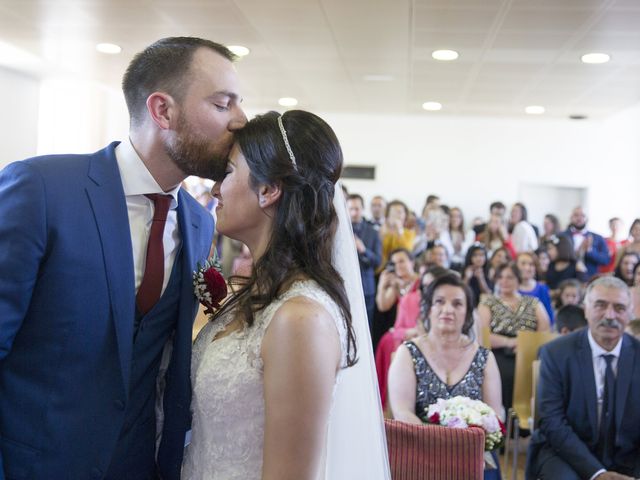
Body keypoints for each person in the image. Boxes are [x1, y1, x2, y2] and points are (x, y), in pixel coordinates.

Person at [0, 37, 245, 479]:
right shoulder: (42, 189)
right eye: (223, 104)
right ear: (162, 110)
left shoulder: (198, 223)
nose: (241, 121)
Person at [182, 110, 390, 479]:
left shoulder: (300, 318)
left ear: (268, 189)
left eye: (228, 173)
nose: (215, 189)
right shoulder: (255, 293)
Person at [388, 273, 503, 479]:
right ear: (429, 309)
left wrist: (471, 441)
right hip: (420, 450)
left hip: (473, 453)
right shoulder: (408, 352)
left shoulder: (484, 357)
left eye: (457, 304)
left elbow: (494, 413)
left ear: (467, 313)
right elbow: (402, 413)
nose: (447, 309)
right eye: (439, 302)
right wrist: (441, 445)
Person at [526, 276, 640, 479]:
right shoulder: (555, 353)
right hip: (566, 453)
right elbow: (552, 422)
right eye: (600, 305)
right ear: (585, 309)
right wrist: (597, 473)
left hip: (629, 454)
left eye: (619, 308)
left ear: (630, 314)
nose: (610, 315)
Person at [478, 263, 551, 412]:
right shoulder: (488, 302)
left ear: (518, 280)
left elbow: (544, 330)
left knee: (533, 371)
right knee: (503, 371)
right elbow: (483, 335)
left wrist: (526, 345)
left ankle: (526, 422)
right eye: (500, 277)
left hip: (528, 352)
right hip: (497, 352)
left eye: (510, 277)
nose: (504, 281)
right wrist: (510, 342)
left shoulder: (533, 302)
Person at [373, 248, 418, 350]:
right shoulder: (396, 283)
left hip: (415, 330)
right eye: (394, 263)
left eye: (401, 261)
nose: (398, 266)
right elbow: (383, 306)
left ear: (412, 263)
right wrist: (382, 285)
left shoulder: (420, 283)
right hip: (400, 331)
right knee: (385, 340)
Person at [348, 193, 382, 325]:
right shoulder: (338, 229)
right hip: (345, 287)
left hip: (366, 287)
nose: (354, 212)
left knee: (367, 325)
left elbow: (378, 261)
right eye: (350, 209)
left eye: (357, 209)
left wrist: (364, 250)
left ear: (362, 209)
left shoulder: (372, 232)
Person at [560, 207, 610, 279]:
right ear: (571, 218)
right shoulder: (561, 236)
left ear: (587, 218)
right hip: (566, 278)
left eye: (582, 215)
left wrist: (590, 251)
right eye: (576, 215)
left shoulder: (598, 238)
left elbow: (605, 260)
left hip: (590, 278)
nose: (579, 218)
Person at [517, 252, 554, 324]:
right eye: (523, 263)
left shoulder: (542, 289)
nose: (527, 268)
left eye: (531, 264)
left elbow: (549, 318)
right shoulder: (510, 288)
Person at [464, 243, 492, 307]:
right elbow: (460, 292)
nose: (479, 258)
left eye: (482, 255)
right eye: (475, 255)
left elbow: (489, 296)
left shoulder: (489, 272)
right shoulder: (465, 271)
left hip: (483, 306)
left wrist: (480, 278)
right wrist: (467, 278)